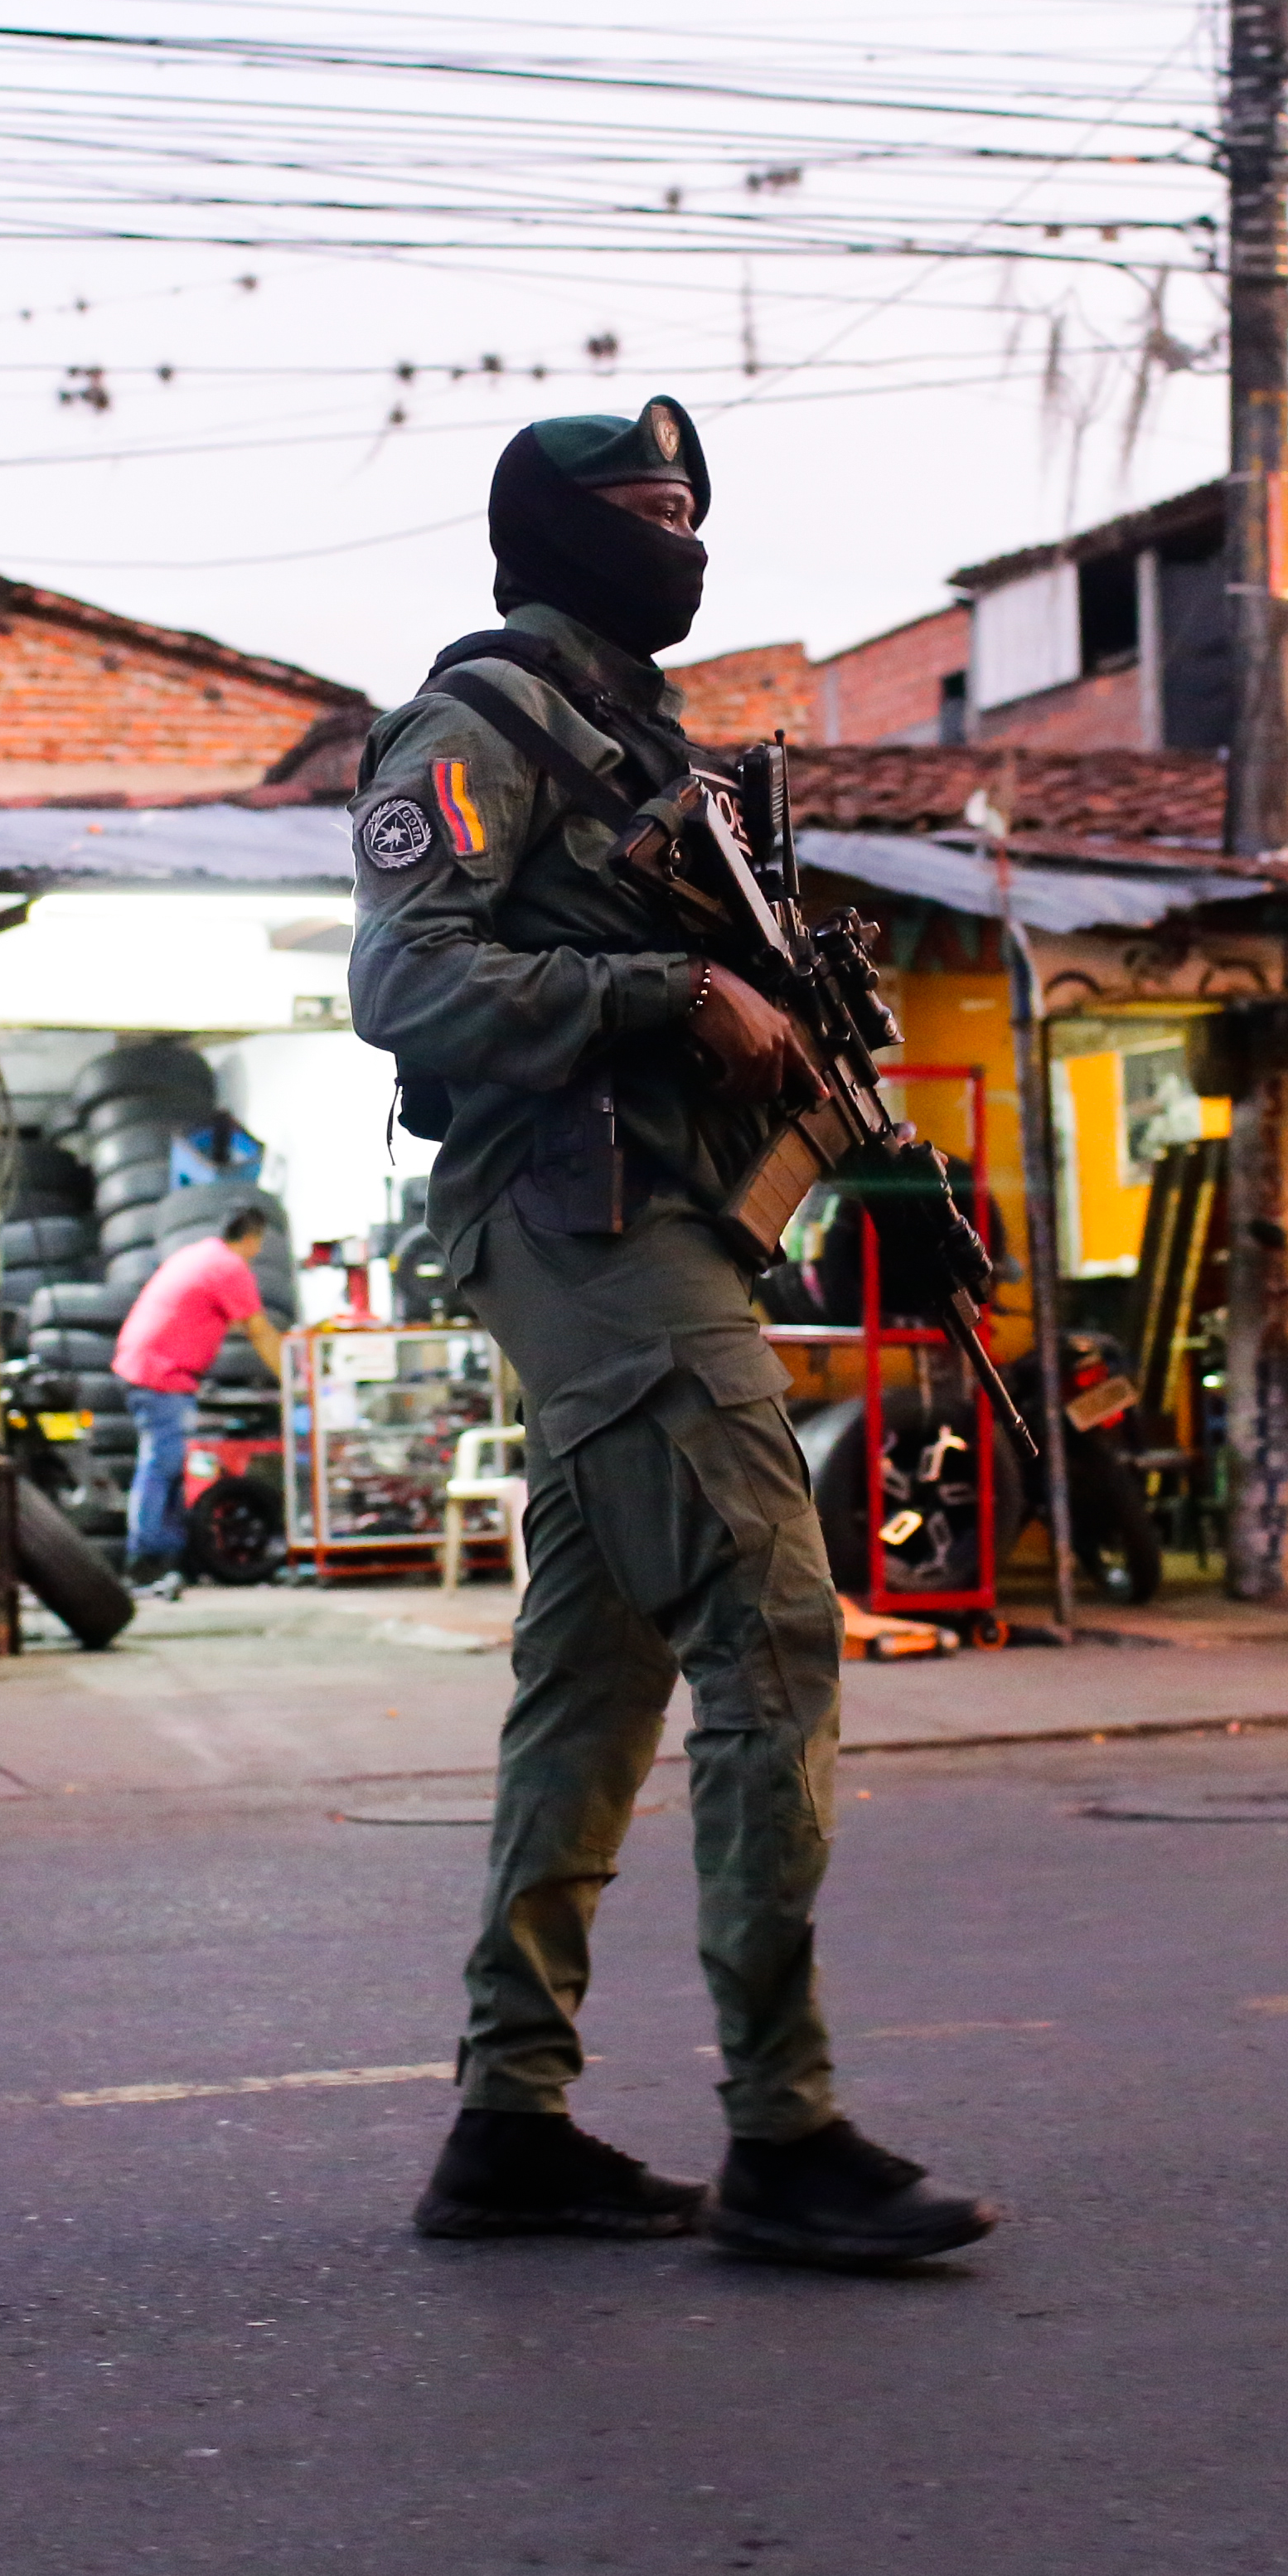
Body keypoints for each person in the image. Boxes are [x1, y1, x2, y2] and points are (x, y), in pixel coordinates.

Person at [351, 395, 996, 2271]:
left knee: (597, 1675)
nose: (679, 534)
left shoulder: (665, 757)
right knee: (772, 1621)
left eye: (691, 505)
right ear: (550, 537)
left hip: (670, 1226)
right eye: (641, 507)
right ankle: (782, 2131)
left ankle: (510, 2122)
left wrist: (899, 1206)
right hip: (585, 1220)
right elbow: (406, 977)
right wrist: (662, 992)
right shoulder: (477, 723)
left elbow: (796, 1030)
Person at [109, 1201, 285, 1589]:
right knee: (162, 1465)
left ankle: (167, 1558)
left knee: (166, 1468)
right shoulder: (228, 1266)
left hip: (147, 1367)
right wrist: (292, 1378)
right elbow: (258, 1330)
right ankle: (147, 1559)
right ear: (253, 1238)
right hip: (160, 1374)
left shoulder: (200, 1255)